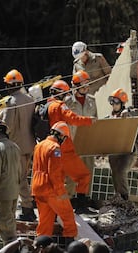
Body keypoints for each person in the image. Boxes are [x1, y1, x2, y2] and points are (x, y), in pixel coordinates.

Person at [47, 80, 96, 214]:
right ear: (62, 93)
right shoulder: (60, 106)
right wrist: (89, 120)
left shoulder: (47, 106)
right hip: (65, 148)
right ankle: (80, 206)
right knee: (84, 175)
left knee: (59, 179)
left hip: (52, 146)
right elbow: (73, 118)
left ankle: (58, 206)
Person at [31, 121, 76, 246]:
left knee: (45, 221)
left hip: (37, 187)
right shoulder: (55, 148)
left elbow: (35, 168)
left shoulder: (39, 145)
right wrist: (61, 192)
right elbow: (54, 173)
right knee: (68, 216)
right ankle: (71, 246)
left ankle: (39, 247)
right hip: (50, 189)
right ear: (61, 136)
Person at [1, 69, 37, 222]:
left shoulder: (12, 101)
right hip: (30, 145)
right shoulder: (30, 99)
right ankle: (27, 208)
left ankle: (28, 210)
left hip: (16, 147)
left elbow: (7, 125)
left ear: (10, 86)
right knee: (23, 177)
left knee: (19, 179)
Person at [0, 119, 21, 245]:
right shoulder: (15, 147)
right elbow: (20, 171)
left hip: (3, 192)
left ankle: (11, 247)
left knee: (4, 225)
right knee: (11, 221)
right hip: (14, 190)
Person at [64, 70, 97, 197]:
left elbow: (96, 121)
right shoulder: (67, 102)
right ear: (76, 86)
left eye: (88, 84)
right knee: (71, 174)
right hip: (72, 143)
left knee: (88, 172)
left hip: (88, 144)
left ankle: (83, 199)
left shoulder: (92, 101)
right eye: (84, 85)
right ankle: (70, 198)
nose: (86, 87)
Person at [106, 88, 138, 201]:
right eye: (112, 102)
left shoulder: (129, 113)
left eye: (116, 102)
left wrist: (129, 113)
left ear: (122, 103)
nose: (114, 105)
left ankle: (124, 197)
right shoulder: (110, 118)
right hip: (114, 151)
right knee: (115, 173)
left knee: (121, 171)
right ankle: (118, 196)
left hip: (128, 150)